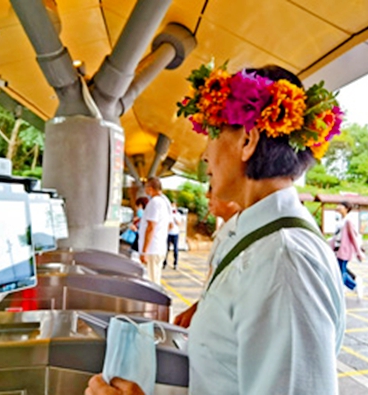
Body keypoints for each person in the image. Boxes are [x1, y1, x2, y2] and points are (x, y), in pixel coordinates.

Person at [87, 64, 346, 394]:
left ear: (247, 140)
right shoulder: (254, 239)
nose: (205, 156)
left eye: (211, 135)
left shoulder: (282, 264)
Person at [173, 186, 241, 328]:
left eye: (212, 188)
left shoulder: (241, 234)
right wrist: (198, 307)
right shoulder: (225, 230)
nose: (207, 195)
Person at [138, 177, 171, 285]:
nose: (145, 190)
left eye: (146, 187)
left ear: (150, 188)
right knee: (155, 279)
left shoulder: (154, 203)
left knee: (151, 283)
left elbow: (151, 227)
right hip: (159, 248)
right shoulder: (164, 202)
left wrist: (144, 251)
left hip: (152, 249)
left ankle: (154, 303)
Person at [331, 201, 365, 300]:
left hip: (344, 250)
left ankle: (351, 286)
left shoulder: (348, 221)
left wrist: (359, 252)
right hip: (337, 250)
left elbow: (353, 237)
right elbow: (336, 236)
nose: (338, 207)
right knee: (340, 270)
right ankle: (355, 285)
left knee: (341, 271)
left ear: (346, 208)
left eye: (340, 205)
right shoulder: (341, 221)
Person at [163, 202, 182, 270]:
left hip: (175, 233)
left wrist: (174, 218)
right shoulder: (168, 214)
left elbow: (179, 223)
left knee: (175, 249)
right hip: (168, 234)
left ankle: (175, 263)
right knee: (166, 249)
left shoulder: (178, 215)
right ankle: (164, 263)